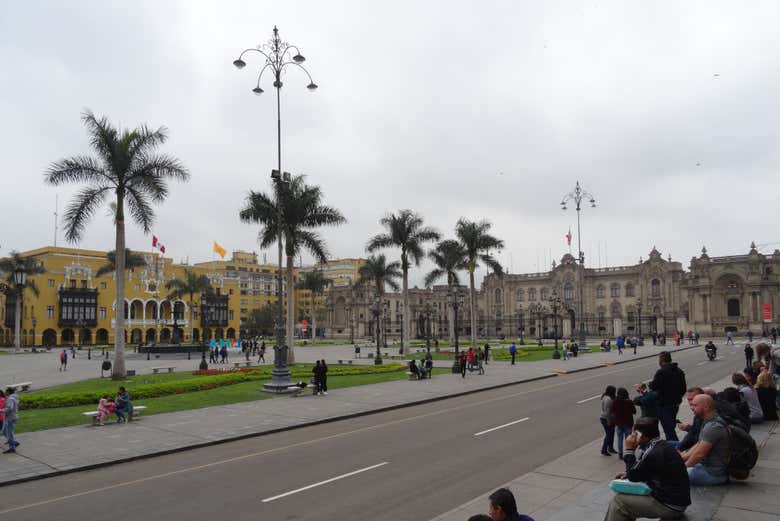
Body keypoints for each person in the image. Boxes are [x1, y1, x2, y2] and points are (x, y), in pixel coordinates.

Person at [603, 417, 690, 521]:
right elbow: (643, 470)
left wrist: (629, 450)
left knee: (619, 502)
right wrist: (628, 473)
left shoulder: (654, 452)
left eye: (634, 433)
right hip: (673, 498)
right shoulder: (658, 445)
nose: (631, 436)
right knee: (626, 497)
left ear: (641, 435)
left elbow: (633, 477)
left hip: (670, 505)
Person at [680, 394, 730, 486]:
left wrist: (681, 469)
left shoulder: (713, 427)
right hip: (706, 467)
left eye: (695, 405)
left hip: (714, 474)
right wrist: (682, 458)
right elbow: (698, 445)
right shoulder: (708, 421)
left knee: (671, 475)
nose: (692, 408)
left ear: (706, 406)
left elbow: (699, 454)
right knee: (671, 468)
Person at [648, 351, 687, 441]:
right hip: (675, 404)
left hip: (664, 405)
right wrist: (676, 397)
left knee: (668, 430)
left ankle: (674, 449)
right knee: (670, 428)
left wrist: (651, 385)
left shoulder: (661, 372)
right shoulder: (679, 371)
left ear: (662, 360)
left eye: (659, 359)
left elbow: (654, 386)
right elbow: (683, 389)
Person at [611, 388, 636, 459]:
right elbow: (634, 411)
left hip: (619, 423)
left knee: (619, 439)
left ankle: (620, 454)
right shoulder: (629, 402)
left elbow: (612, 411)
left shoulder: (615, 401)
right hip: (628, 423)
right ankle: (629, 453)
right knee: (628, 439)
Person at [600, 385, 617, 456]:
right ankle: (604, 449)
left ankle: (610, 448)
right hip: (606, 419)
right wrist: (609, 421)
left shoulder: (605, 396)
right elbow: (607, 412)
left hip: (605, 418)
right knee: (609, 435)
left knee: (611, 433)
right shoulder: (608, 399)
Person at [2, 387, 19, 454]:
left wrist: (0, 410)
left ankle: (12, 448)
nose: (4, 392)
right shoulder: (13, 397)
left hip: (10, 418)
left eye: (6, 391)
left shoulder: (11, 399)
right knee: (4, 431)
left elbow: (9, 408)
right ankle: (14, 442)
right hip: (11, 417)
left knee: (9, 433)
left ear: (8, 392)